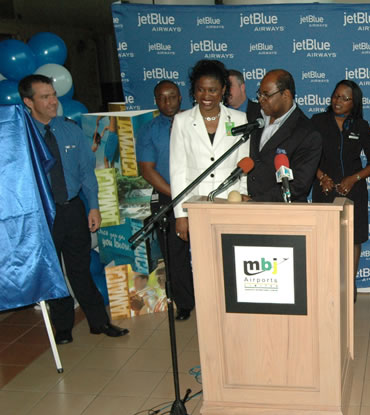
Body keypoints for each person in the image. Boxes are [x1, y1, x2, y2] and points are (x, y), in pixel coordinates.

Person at [18, 74, 129, 344]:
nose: (53, 101)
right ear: (28, 101)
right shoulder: (22, 136)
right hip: (42, 216)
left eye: (54, 94)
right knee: (53, 272)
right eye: (45, 97)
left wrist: (94, 207)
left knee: (79, 269)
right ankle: (63, 326)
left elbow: (86, 174)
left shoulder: (70, 129)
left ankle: (99, 322)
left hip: (73, 209)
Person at [170, 60, 249, 243]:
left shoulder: (239, 119)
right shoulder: (182, 121)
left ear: (222, 90)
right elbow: (178, 170)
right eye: (201, 89)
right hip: (196, 205)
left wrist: (242, 195)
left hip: (231, 203)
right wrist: (181, 214)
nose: (206, 95)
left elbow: (244, 162)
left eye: (212, 90)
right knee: (201, 261)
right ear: (194, 90)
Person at [136, 79, 194, 320]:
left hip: (203, 195)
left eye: (172, 96)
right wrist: (177, 193)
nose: (167, 101)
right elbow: (147, 170)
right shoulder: (149, 130)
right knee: (174, 255)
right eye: (162, 97)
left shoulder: (195, 122)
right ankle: (185, 303)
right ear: (156, 101)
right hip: (167, 196)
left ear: (181, 98)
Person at [311, 80, 370, 287]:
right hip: (324, 189)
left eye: (344, 98)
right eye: (335, 96)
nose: (338, 101)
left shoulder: (361, 126)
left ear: (354, 102)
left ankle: (349, 286)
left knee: (354, 239)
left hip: (354, 191)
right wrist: (322, 177)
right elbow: (305, 158)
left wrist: (353, 178)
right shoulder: (317, 121)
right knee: (325, 240)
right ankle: (327, 286)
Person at [247, 69, 322, 202]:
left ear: (286, 95)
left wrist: (257, 202)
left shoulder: (307, 133)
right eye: (259, 94)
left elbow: (298, 185)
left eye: (266, 95)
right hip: (246, 210)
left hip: (283, 213)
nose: (260, 99)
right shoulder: (254, 117)